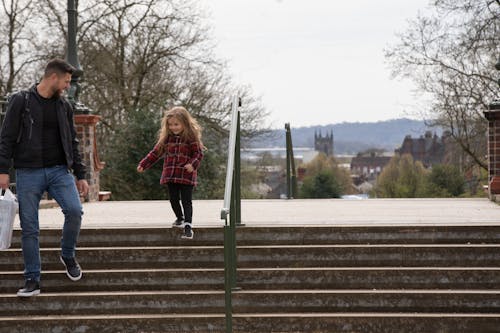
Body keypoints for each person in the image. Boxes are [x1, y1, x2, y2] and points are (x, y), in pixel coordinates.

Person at [0, 58, 89, 297]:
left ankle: (67, 254)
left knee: (74, 211)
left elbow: (72, 141)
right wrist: (2, 171)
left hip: (60, 171)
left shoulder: (64, 106)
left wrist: (81, 174)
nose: (68, 86)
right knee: (30, 227)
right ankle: (32, 279)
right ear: (53, 78)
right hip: (28, 172)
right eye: (66, 81)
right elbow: (6, 137)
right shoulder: (21, 101)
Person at [137, 106, 204, 239]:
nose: (173, 127)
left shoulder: (191, 138)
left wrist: (192, 164)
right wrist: (144, 164)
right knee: (173, 199)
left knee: (186, 200)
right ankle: (180, 217)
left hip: (186, 174)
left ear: (185, 123)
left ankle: (188, 226)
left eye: (176, 124)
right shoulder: (167, 139)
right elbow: (155, 153)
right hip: (171, 174)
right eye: (170, 125)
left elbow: (198, 153)